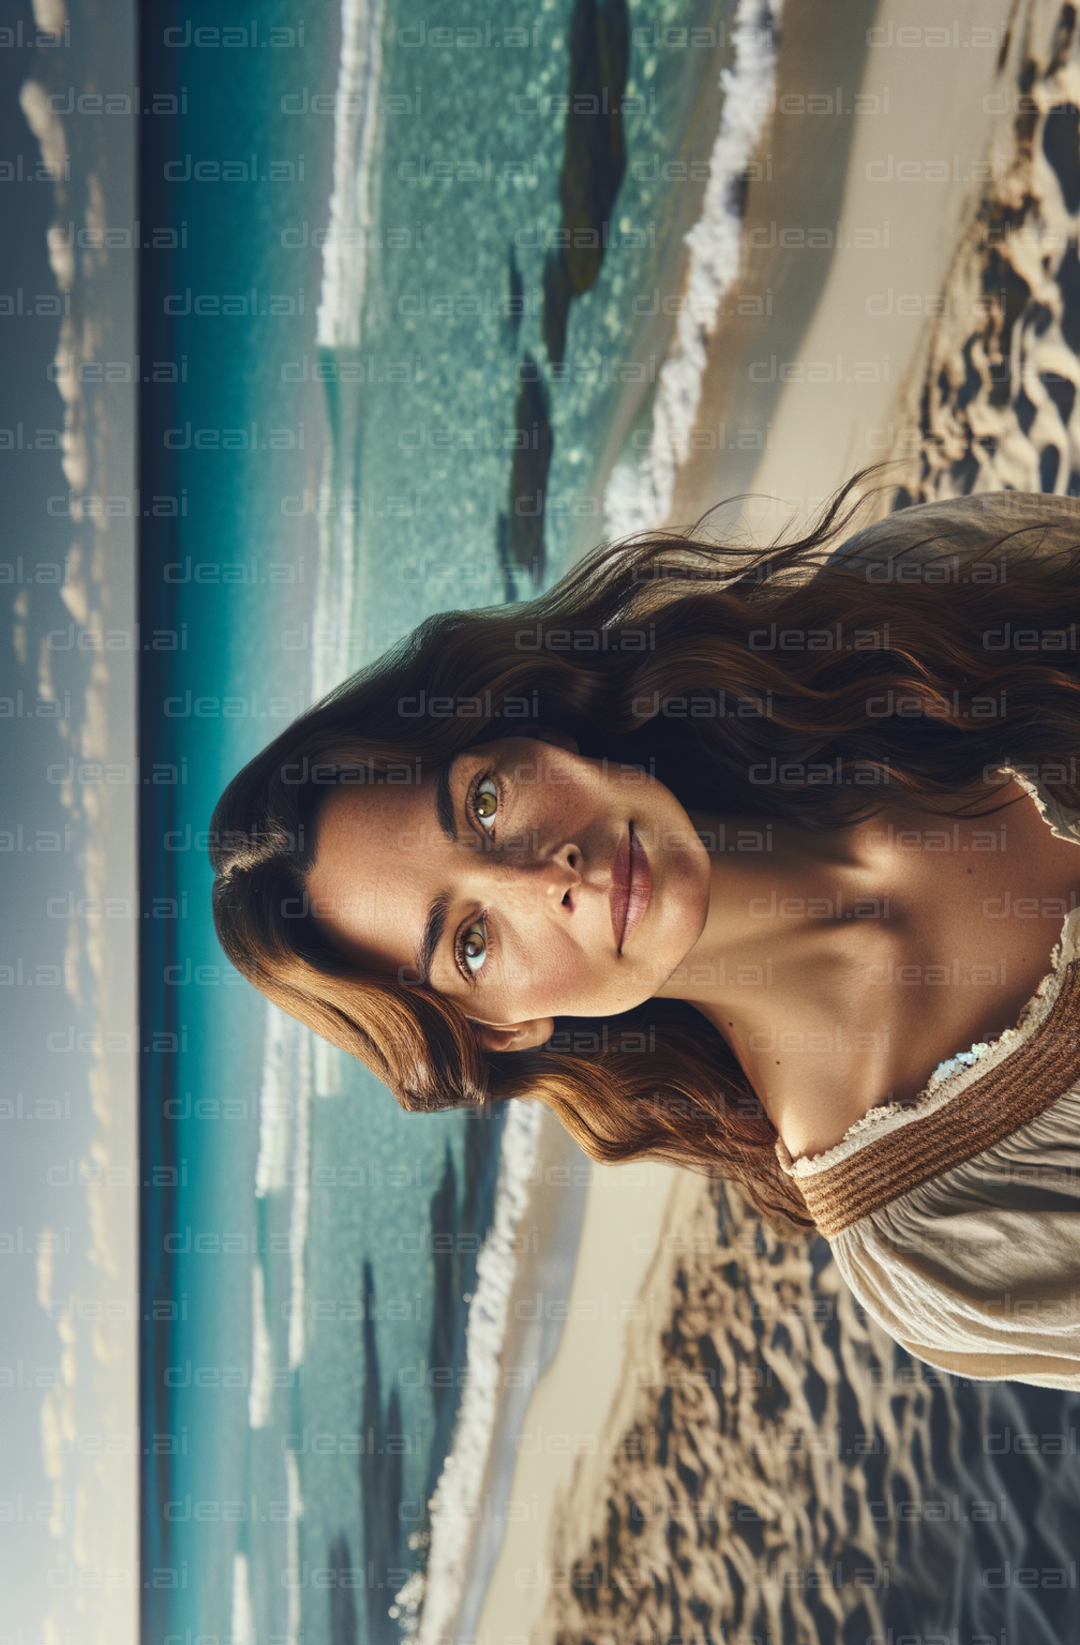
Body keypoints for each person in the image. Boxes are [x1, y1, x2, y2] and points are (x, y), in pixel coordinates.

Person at [210, 475, 1080, 1388]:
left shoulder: (903, 603)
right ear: (503, 1027)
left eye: (486, 801)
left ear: (531, 732)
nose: (546, 878)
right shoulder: (936, 1240)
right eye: (472, 941)